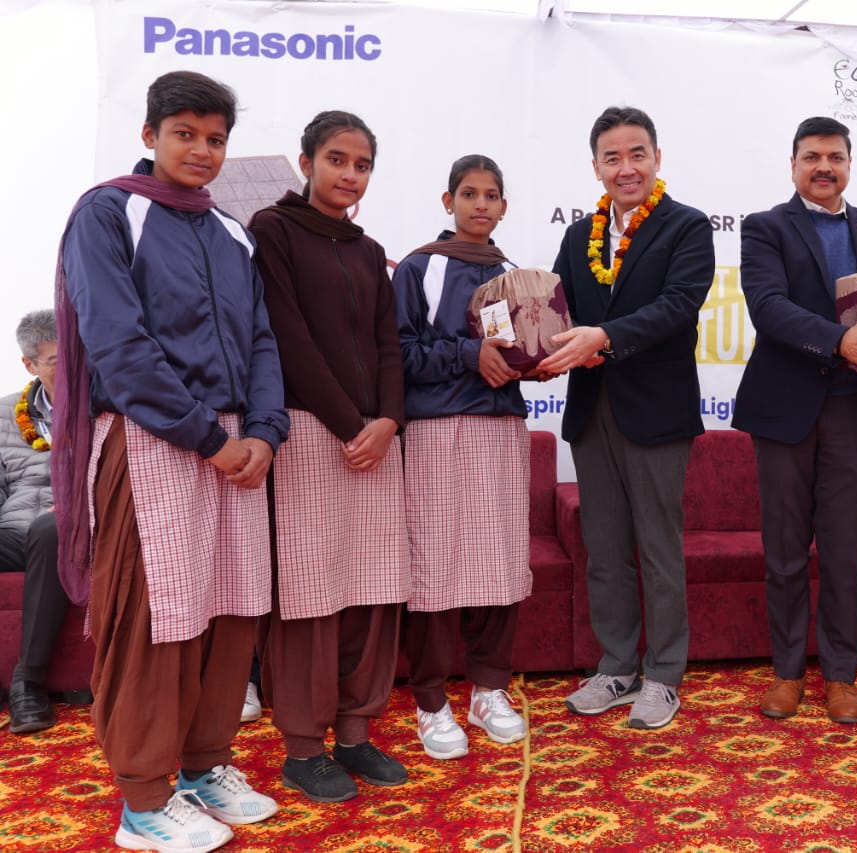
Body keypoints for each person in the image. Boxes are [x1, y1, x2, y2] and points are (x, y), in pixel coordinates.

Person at [54, 70, 289, 852]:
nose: (201, 150)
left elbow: (261, 339)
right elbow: (119, 345)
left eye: (215, 138)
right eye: (184, 133)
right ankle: (144, 800)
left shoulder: (231, 231)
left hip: (233, 445)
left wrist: (262, 430)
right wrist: (211, 438)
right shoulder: (108, 211)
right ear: (150, 135)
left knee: (228, 610)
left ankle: (203, 763)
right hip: (155, 439)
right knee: (157, 617)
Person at [249, 111, 409, 802]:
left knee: (372, 589)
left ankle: (354, 732)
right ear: (307, 160)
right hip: (311, 434)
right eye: (337, 159)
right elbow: (287, 339)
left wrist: (390, 422)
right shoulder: (273, 231)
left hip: (374, 438)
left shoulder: (370, 250)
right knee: (311, 596)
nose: (349, 174)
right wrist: (352, 424)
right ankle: (305, 747)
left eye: (362, 163)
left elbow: (387, 345)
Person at [537, 106, 714, 730]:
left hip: (656, 411)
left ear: (657, 158)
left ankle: (664, 674)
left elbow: (677, 306)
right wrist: (533, 349)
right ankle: (616, 666)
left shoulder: (686, 228)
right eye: (612, 157)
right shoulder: (579, 235)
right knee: (605, 548)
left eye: (637, 153)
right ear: (596, 167)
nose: (626, 167)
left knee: (658, 548)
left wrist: (603, 337)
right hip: (591, 408)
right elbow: (557, 311)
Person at [733, 116, 857, 724]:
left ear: (849, 163)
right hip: (785, 408)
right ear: (794, 164)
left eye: (834, 156)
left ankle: (841, 676)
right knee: (783, 552)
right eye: (811, 157)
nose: (823, 166)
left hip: (854, 409)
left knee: (844, 551)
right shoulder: (766, 227)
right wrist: (840, 342)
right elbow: (769, 309)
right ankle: (785, 673)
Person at [392, 154, 532, 759]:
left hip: (499, 429)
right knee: (432, 569)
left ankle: (489, 690)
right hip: (434, 431)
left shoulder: (515, 275)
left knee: (499, 563)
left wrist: (542, 358)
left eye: (491, 195)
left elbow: (521, 354)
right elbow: (397, 353)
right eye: (468, 194)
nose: (480, 204)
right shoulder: (420, 266)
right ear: (447, 202)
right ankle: (429, 701)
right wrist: (467, 355)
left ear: (504, 206)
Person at [4, 310, 61, 733]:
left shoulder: (106, 407)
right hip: (15, 531)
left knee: (51, 528)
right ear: (30, 365)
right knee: (36, 527)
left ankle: (29, 682)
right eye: (58, 361)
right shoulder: (6, 414)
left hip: (74, 528)